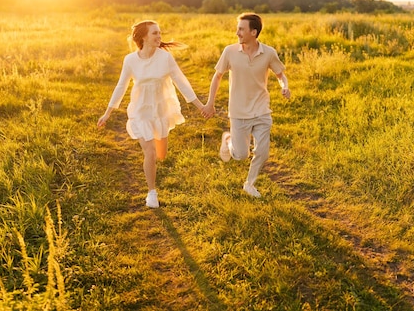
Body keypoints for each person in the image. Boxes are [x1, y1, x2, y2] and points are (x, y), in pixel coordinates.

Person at [98, 20, 205, 208]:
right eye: (155, 33)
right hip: (140, 110)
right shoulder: (130, 60)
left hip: (161, 109)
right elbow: (121, 86)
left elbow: (181, 81)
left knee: (161, 154)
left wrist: (200, 105)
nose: (159, 36)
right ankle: (152, 193)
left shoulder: (165, 58)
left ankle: (156, 165)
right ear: (144, 37)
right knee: (150, 151)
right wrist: (108, 113)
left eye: (159, 33)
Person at [202, 13, 290, 197]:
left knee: (262, 152)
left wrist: (285, 87)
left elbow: (280, 74)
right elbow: (217, 76)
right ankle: (228, 140)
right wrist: (210, 103)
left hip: (261, 110)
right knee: (241, 155)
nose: (237, 33)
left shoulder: (269, 53)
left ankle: (249, 184)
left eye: (241, 29)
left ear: (253, 32)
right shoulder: (230, 52)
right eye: (238, 28)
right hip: (239, 111)